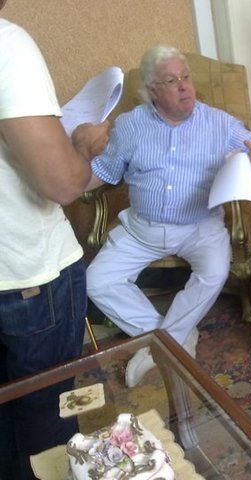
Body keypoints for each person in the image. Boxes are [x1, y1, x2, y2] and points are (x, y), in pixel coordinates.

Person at [85, 44, 251, 389]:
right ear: (152, 90)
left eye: (186, 77)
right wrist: (67, 180)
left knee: (215, 272)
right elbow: (105, 170)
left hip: (199, 226)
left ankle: (161, 344)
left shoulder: (219, 123)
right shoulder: (130, 125)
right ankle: (174, 337)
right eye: (172, 81)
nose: (184, 87)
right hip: (142, 228)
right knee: (96, 280)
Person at [0, 2, 109, 478]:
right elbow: (63, 184)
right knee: (47, 415)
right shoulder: (7, 44)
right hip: (27, 276)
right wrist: (80, 146)